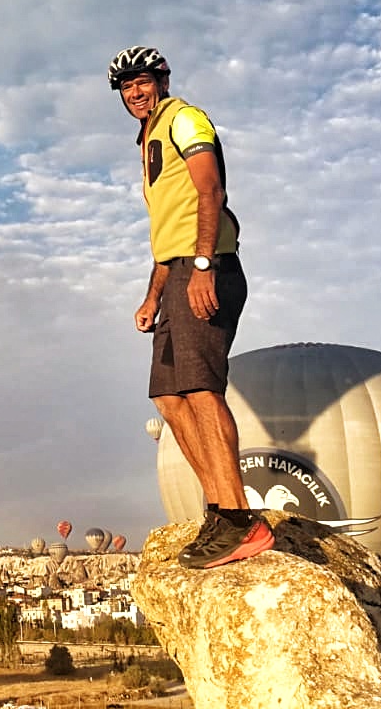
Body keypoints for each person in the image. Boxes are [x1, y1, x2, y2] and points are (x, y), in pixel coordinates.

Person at [110, 45, 275, 569]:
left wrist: (203, 266)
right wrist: (152, 296)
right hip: (176, 272)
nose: (135, 92)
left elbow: (211, 191)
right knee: (168, 398)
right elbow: (168, 232)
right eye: (126, 87)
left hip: (208, 267)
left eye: (142, 82)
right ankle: (219, 508)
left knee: (202, 390)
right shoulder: (148, 141)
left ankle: (241, 519)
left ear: (161, 80)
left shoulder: (184, 119)